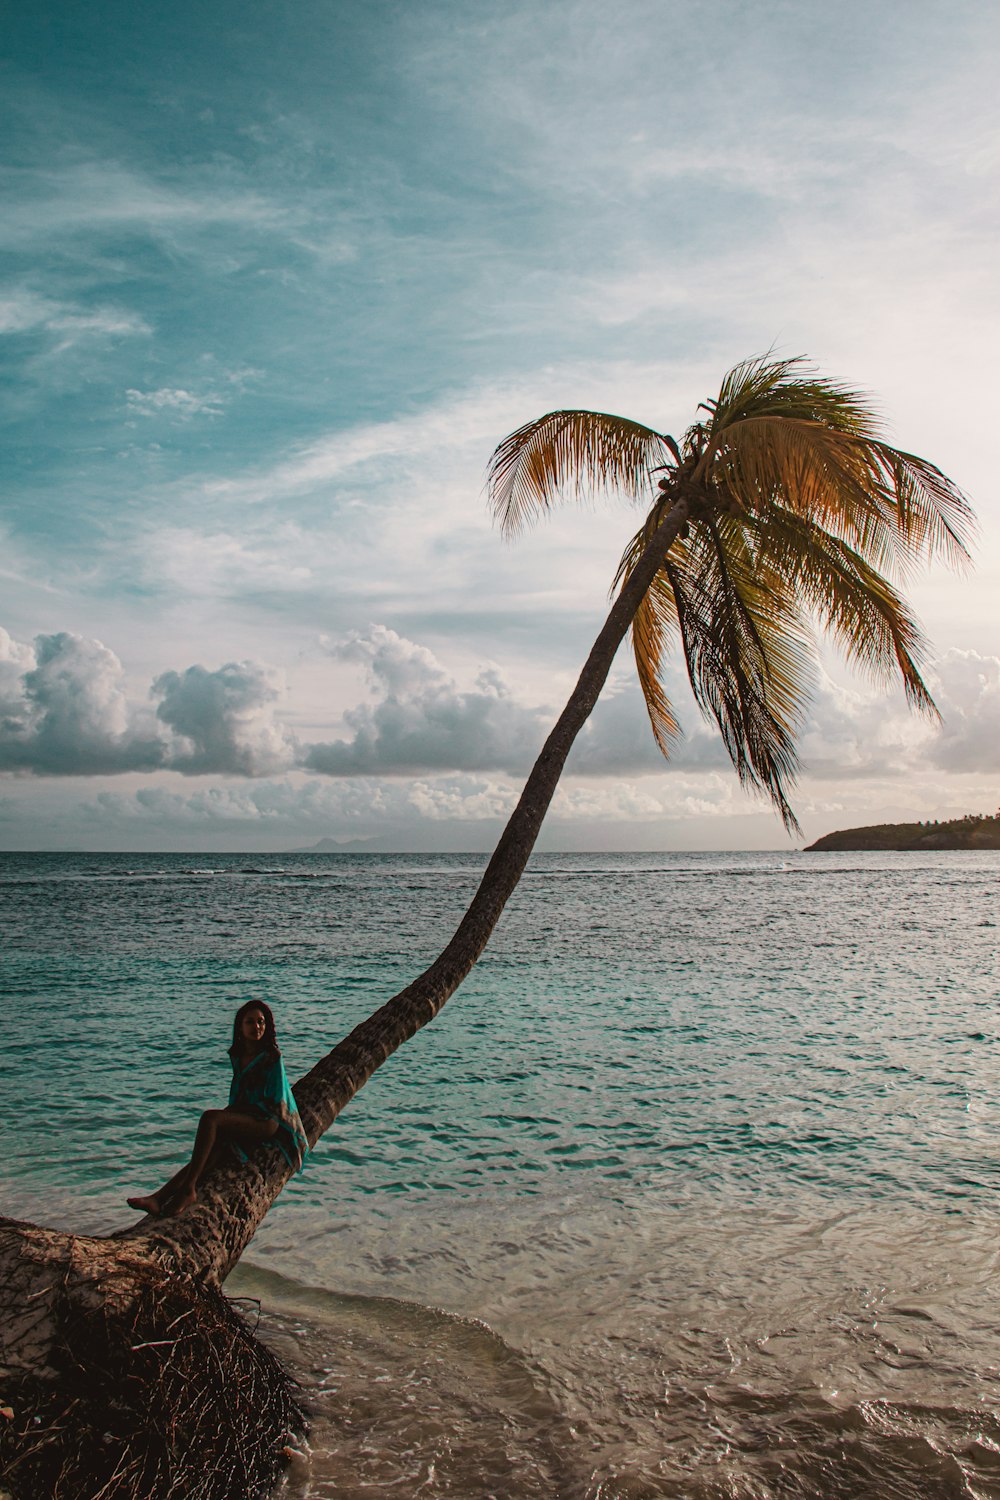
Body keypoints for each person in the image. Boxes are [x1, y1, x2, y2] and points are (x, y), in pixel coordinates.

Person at [127, 1000, 309, 1217]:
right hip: (247, 1114)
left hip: (266, 1120)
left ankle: (188, 1190)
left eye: (261, 1022)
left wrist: (234, 1114)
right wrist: (233, 1113)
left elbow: (277, 1100)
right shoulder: (238, 1055)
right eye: (250, 1022)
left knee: (209, 1119)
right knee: (211, 1151)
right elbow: (239, 1094)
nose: (257, 1027)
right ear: (240, 1027)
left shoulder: (271, 1056)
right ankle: (159, 1198)